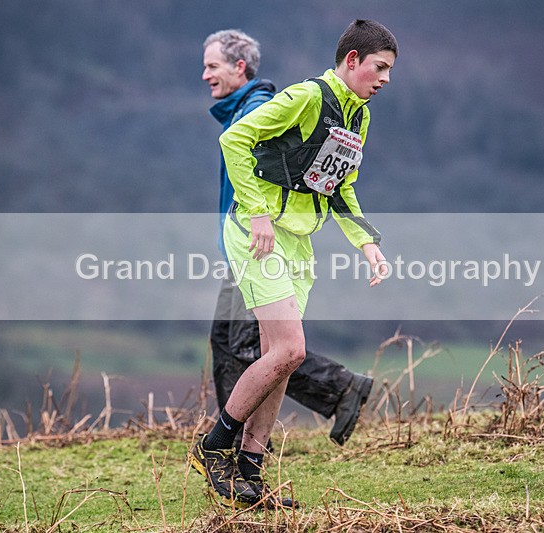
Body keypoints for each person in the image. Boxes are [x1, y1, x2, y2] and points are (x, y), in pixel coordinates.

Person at [190, 20, 398, 509]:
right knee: (290, 350)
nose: (386, 78)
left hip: (298, 241)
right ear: (352, 60)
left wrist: (366, 242)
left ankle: (250, 471)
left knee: (278, 362)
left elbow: (339, 183)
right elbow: (233, 141)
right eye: (380, 67)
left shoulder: (359, 116)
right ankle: (213, 447)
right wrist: (258, 212)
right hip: (255, 232)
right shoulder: (306, 97)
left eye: (390, 70)